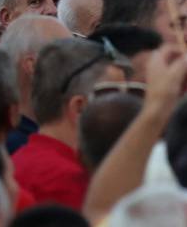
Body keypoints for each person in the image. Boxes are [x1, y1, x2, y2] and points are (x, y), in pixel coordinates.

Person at [13, 39, 124, 211]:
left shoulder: (18, 160)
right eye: (115, 99)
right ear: (80, 108)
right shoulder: (65, 179)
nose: (125, 107)